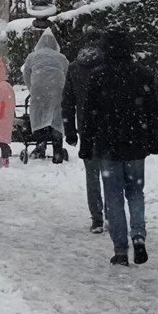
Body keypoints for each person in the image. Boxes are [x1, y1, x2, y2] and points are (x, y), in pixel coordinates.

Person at [79, 30, 158, 266]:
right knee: (135, 191)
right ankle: (138, 235)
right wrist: (153, 141)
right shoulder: (142, 75)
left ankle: (120, 249)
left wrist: (86, 145)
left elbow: (89, 116)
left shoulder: (98, 77)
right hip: (136, 144)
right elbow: (152, 111)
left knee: (113, 195)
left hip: (108, 146)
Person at [63, 37, 107, 232]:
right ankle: (114, 213)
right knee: (111, 173)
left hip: (85, 127)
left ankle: (97, 217)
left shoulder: (74, 68)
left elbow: (67, 102)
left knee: (92, 174)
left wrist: (70, 131)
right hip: (108, 127)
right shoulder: (107, 66)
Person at [19, 29, 70, 164]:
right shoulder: (62, 58)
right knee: (56, 116)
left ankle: (40, 143)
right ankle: (57, 149)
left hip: (39, 90)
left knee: (39, 114)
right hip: (57, 89)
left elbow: (26, 74)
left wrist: (32, 89)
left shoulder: (32, 56)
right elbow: (66, 73)